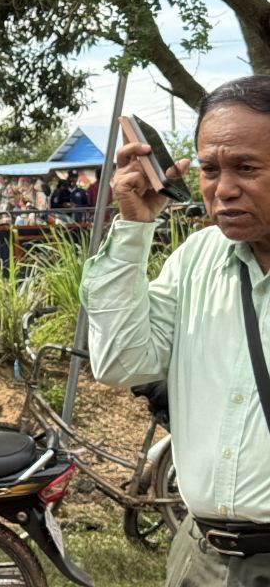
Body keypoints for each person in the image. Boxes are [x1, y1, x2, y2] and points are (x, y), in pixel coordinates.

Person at [80, 76, 270, 585]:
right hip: (199, 555)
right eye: (209, 169)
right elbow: (121, 363)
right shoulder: (196, 261)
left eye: (246, 168)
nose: (222, 189)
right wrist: (134, 226)